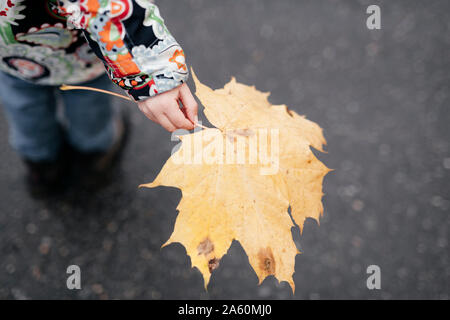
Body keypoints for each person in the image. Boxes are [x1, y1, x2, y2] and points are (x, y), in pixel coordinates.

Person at [0, 0, 198, 197]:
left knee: (25, 107)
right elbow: (106, 6)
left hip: (12, 56)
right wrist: (152, 74)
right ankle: (93, 160)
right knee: (89, 105)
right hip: (78, 56)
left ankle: (42, 167)